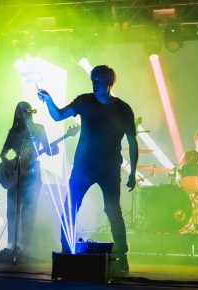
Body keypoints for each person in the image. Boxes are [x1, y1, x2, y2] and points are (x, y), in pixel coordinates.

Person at [37, 65, 138, 273]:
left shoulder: (123, 109)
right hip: (83, 165)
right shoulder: (85, 101)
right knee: (70, 206)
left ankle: (122, 255)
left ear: (108, 83)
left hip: (109, 167)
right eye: (92, 81)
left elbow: (133, 142)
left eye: (98, 81)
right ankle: (66, 250)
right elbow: (58, 116)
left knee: (113, 210)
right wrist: (48, 100)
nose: (94, 84)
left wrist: (133, 172)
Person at [0, 101, 58, 256]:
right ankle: (11, 245)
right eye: (19, 111)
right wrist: (9, 166)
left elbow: (47, 150)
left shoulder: (38, 129)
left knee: (28, 211)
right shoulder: (14, 132)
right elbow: (2, 154)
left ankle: (26, 247)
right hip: (15, 172)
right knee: (12, 211)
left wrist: (55, 150)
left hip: (32, 173)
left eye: (24, 111)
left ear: (30, 112)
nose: (22, 114)